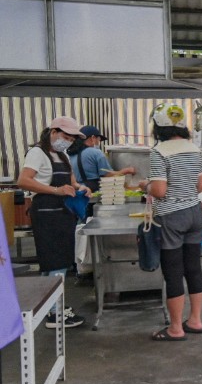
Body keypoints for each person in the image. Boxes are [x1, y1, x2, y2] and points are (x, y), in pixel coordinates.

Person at [138, 104, 202, 341]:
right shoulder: (194, 149)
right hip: (195, 213)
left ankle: (176, 328)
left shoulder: (159, 151)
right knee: (194, 268)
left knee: (174, 272)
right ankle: (195, 320)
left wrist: (144, 185)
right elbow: (201, 186)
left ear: (158, 126)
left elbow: (159, 190)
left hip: (171, 216)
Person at [17, 116, 90, 328]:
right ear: (53, 131)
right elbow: (23, 180)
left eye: (70, 138)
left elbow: (71, 181)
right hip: (47, 213)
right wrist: (56, 190)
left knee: (60, 262)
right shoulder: (37, 153)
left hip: (62, 213)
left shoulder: (62, 154)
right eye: (65, 136)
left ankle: (53, 308)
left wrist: (80, 187)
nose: (67, 141)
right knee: (54, 262)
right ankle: (54, 314)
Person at [68, 126, 136, 192]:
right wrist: (126, 171)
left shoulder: (71, 154)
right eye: (99, 140)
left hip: (76, 190)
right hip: (92, 191)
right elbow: (108, 175)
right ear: (93, 138)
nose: (98, 143)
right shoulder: (96, 153)